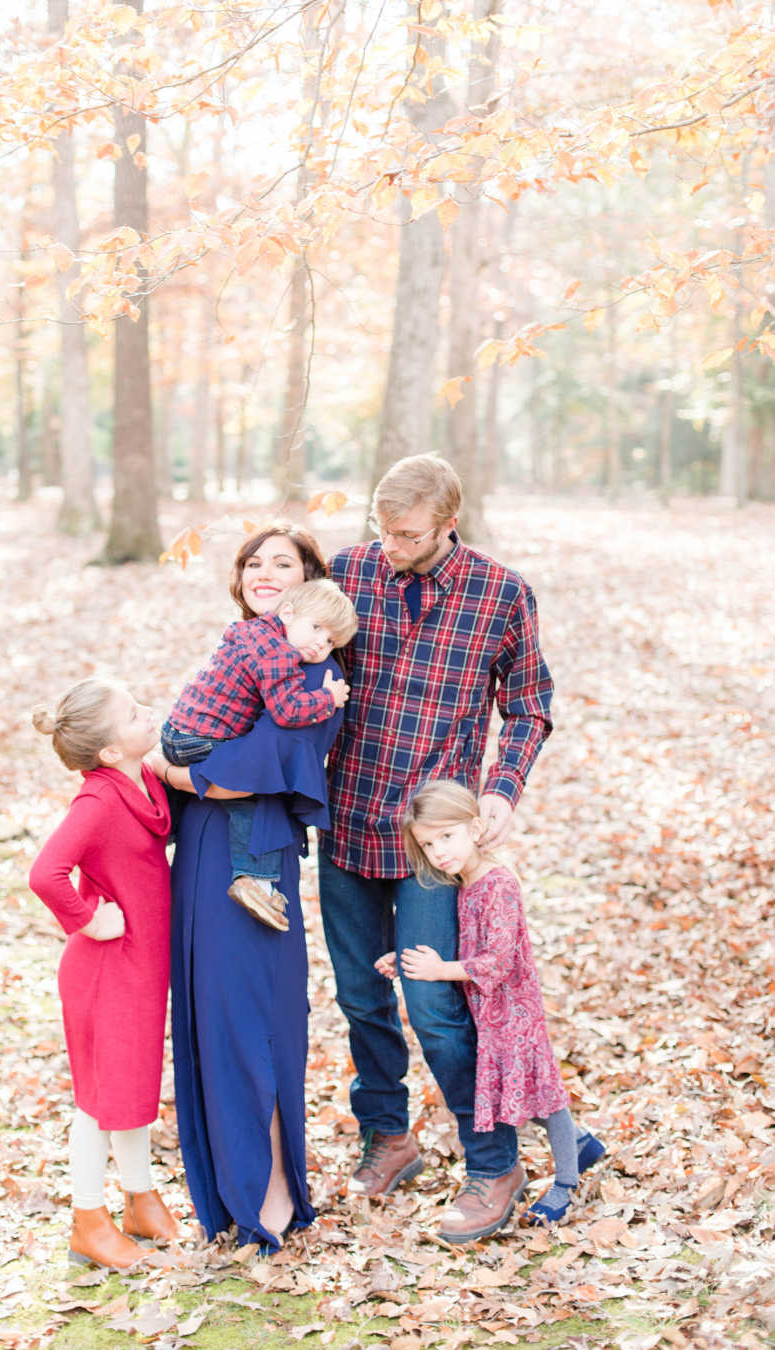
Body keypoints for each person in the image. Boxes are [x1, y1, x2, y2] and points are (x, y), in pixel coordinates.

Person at [319, 453, 555, 1242]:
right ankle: (389, 1137)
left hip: (435, 842)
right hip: (348, 819)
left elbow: (527, 707)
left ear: (447, 524)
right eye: (382, 532)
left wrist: (501, 788)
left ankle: (493, 1164)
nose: (390, 546)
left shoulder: (501, 594)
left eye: (407, 535)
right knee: (361, 999)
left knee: (440, 1006)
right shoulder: (350, 573)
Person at [150, 524, 346, 1251]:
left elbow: (244, 769)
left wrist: (179, 774)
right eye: (253, 562)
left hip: (254, 858)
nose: (265, 571)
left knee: (253, 1022)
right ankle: (225, 1195)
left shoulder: (315, 679)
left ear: (310, 581)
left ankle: (271, 1190)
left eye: (283, 562)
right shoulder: (245, 651)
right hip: (199, 853)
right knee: (206, 1017)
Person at [375, 780, 604, 1232]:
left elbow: (496, 962)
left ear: (475, 827)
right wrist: (407, 964)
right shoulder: (463, 884)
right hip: (489, 1012)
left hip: (514, 1011)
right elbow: (465, 944)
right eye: (428, 843)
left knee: (544, 1094)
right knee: (510, 1091)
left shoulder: (497, 884)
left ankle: (566, 1183)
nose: (439, 851)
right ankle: (580, 1144)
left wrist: (441, 971)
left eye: (447, 836)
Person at [29, 678, 179, 1269]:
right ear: (108, 752)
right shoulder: (95, 801)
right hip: (103, 971)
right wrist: (89, 919)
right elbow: (46, 874)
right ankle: (88, 1219)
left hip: (139, 968)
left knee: (132, 1089)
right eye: (134, 713)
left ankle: (139, 1199)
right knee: (97, 1100)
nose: (149, 712)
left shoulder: (140, 779)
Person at [160, 578, 356, 931]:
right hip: (202, 739)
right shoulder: (279, 654)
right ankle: (254, 878)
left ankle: (166, 830)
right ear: (288, 612)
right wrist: (328, 698)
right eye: (315, 629)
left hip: (175, 733)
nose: (319, 645)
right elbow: (287, 710)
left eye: (330, 642)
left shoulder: (250, 632)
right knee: (247, 794)